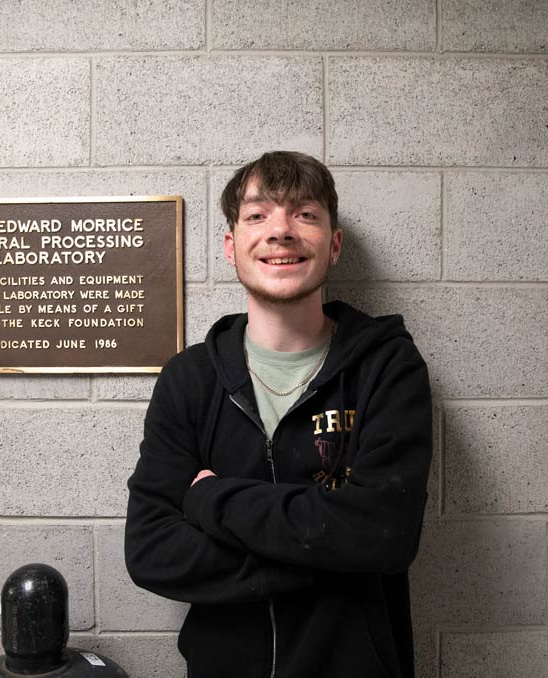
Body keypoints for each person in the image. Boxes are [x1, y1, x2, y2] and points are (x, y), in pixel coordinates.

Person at [125, 151, 432, 678]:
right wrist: (332, 549)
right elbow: (153, 550)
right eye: (257, 214)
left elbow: (386, 535)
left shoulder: (387, 368)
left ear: (333, 245)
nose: (280, 231)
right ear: (231, 246)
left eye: (305, 214)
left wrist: (210, 498)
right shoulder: (189, 379)